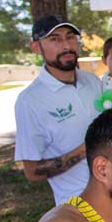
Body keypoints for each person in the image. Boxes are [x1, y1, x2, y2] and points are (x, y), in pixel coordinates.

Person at [14, 15, 102, 205]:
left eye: (70, 37)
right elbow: (32, 172)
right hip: (78, 207)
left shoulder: (93, 82)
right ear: (36, 47)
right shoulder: (30, 101)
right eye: (54, 39)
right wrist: (86, 148)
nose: (66, 46)